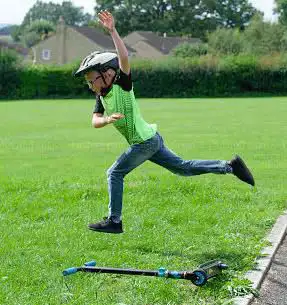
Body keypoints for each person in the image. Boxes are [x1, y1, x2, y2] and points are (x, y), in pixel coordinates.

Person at [73, 11, 255, 234]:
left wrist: (113, 31)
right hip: (152, 139)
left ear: (107, 74)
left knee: (114, 173)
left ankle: (115, 221)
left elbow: (124, 58)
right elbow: (94, 121)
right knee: (183, 168)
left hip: (144, 143)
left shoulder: (123, 85)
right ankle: (229, 166)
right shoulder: (101, 97)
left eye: (92, 80)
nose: (90, 85)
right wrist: (107, 119)